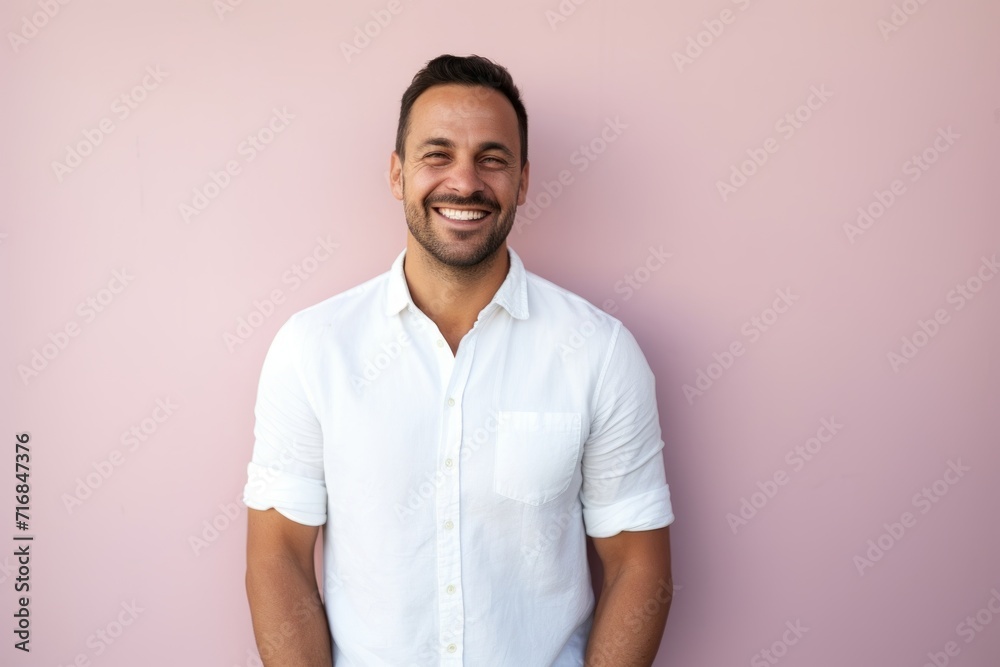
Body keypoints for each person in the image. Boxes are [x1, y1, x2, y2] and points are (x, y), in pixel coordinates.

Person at [243, 53, 675, 667]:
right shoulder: (313, 348)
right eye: (436, 154)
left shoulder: (599, 353)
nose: (465, 183)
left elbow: (638, 564)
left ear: (522, 181)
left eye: (491, 159)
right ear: (397, 174)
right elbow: (278, 555)